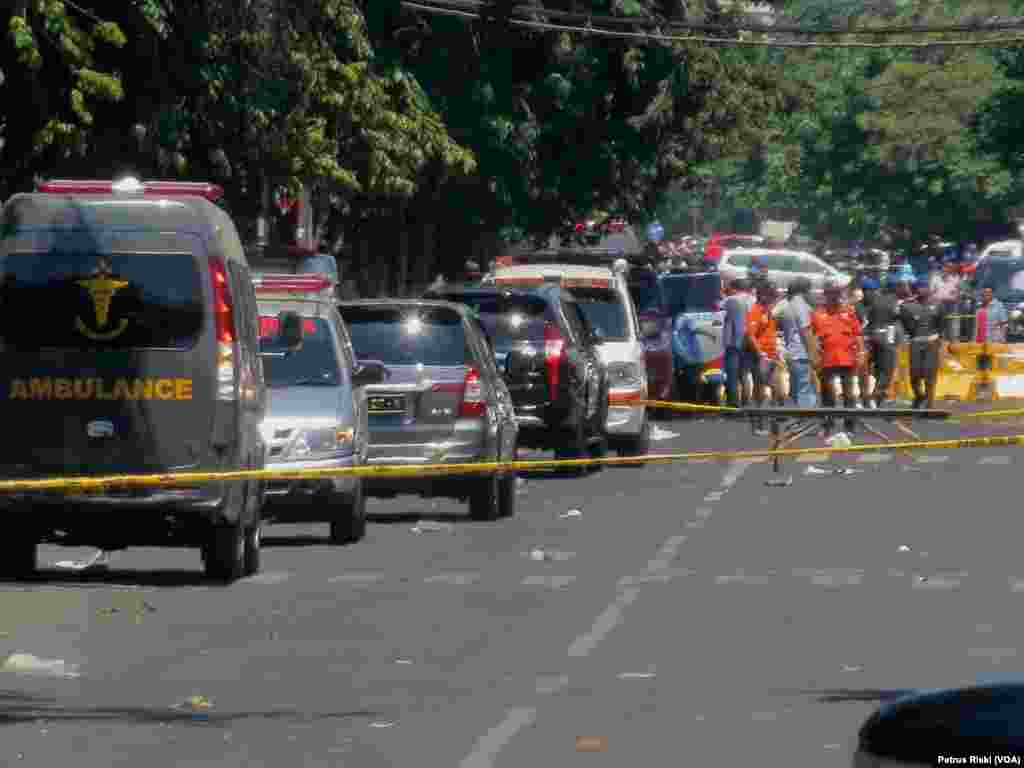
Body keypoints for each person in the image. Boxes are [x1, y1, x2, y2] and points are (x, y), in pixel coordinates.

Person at [811, 280, 865, 436]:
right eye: (830, 293)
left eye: (836, 293)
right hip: (826, 358)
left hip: (847, 358)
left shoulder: (849, 312)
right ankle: (827, 425)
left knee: (849, 394)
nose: (834, 296)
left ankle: (850, 426)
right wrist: (814, 356)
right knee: (828, 394)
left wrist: (861, 353)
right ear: (825, 295)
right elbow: (813, 338)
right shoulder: (817, 314)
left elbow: (858, 334)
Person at [899, 278, 948, 410]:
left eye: (924, 287)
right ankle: (919, 395)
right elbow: (906, 325)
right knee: (914, 374)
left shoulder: (938, 305)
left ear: (929, 289)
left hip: (931, 342)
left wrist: (942, 345)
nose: (921, 290)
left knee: (930, 373)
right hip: (916, 342)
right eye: (919, 288)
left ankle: (930, 402)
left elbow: (942, 326)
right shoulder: (907, 306)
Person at [745, 281, 784, 434]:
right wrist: (760, 353)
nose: (774, 299)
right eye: (772, 296)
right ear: (763, 295)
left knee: (777, 391)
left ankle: (774, 423)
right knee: (760, 391)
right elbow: (750, 335)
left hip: (772, 355)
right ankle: (758, 425)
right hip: (761, 358)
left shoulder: (767, 311)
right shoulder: (755, 311)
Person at [861, 277, 902, 407]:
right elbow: (896, 319)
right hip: (883, 336)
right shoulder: (893, 302)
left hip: (873, 336)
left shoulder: (876, 302)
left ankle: (875, 396)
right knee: (886, 368)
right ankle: (875, 394)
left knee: (879, 368)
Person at [778, 277, 818, 407]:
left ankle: (791, 418)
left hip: (792, 351)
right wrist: (813, 353)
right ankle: (805, 417)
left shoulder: (789, 304)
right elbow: (806, 330)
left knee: (795, 388)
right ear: (804, 290)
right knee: (804, 388)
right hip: (801, 352)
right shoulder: (801, 306)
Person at [722, 278, 755, 408]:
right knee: (745, 373)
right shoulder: (754, 300)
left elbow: (718, 310)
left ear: (734, 288)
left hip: (734, 341)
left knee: (733, 374)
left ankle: (733, 404)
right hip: (750, 340)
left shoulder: (731, 300)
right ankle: (747, 403)